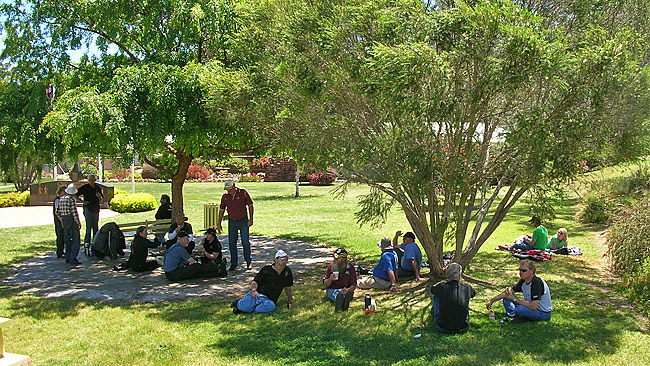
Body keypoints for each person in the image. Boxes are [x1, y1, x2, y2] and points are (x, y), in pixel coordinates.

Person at [486, 259, 552, 323]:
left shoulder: (536, 283)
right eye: (520, 270)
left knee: (519, 309)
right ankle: (514, 316)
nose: (521, 273)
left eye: (524, 270)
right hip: (530, 308)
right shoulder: (523, 280)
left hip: (542, 313)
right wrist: (492, 300)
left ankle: (517, 315)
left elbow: (534, 306)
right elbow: (508, 293)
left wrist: (514, 299)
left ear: (532, 271)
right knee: (506, 299)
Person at [217, 179, 254, 271]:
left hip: (243, 221)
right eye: (227, 189)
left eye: (230, 189)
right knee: (232, 243)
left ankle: (248, 261)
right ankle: (234, 263)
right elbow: (221, 210)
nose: (229, 191)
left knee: (245, 241)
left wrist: (251, 219)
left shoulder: (243, 193)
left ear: (234, 186)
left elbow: (250, 205)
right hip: (232, 222)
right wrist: (219, 223)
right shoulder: (225, 197)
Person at [431, 263, 476, 334]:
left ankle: (436, 313)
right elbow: (473, 294)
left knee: (436, 295)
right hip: (463, 327)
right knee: (465, 297)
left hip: (442, 328)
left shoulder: (441, 287)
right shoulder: (467, 288)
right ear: (459, 275)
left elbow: (432, 290)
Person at [56, 183, 82, 265]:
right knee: (76, 239)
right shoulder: (71, 199)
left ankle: (68, 257)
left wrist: (62, 219)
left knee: (67, 240)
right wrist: (78, 222)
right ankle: (73, 258)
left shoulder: (61, 199)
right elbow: (74, 212)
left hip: (64, 218)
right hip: (71, 219)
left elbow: (57, 212)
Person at [75, 174, 103, 248]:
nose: (91, 182)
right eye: (90, 180)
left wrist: (99, 197)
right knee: (89, 226)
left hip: (96, 208)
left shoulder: (97, 188)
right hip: (88, 208)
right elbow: (75, 194)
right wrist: (82, 201)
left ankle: (96, 244)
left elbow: (102, 199)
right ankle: (86, 244)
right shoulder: (85, 187)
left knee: (95, 227)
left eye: (93, 180)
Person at [53, 185, 66, 259]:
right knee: (60, 236)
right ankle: (59, 252)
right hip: (59, 221)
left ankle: (61, 250)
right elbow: (57, 211)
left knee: (63, 236)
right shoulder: (57, 200)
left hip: (61, 220)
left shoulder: (61, 199)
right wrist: (61, 221)